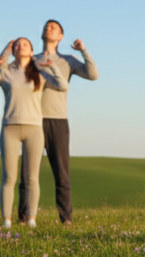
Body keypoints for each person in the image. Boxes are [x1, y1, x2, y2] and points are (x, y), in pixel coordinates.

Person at [0, 37, 68, 228]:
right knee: (9, 177)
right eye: (17, 44)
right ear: (13, 51)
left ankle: (31, 219)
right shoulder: (5, 73)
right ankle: (6, 221)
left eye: (25, 44)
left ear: (31, 51)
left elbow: (63, 86)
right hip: (10, 129)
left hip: (34, 130)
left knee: (32, 177)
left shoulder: (40, 74)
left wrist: (52, 67)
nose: (20, 46)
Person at [16, 19, 99, 225]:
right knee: (27, 173)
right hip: (32, 120)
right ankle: (24, 217)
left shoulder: (68, 61)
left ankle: (66, 219)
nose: (48, 28)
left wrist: (84, 50)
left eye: (54, 27)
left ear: (60, 37)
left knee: (62, 173)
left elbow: (93, 75)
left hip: (58, 121)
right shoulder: (30, 59)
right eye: (46, 26)